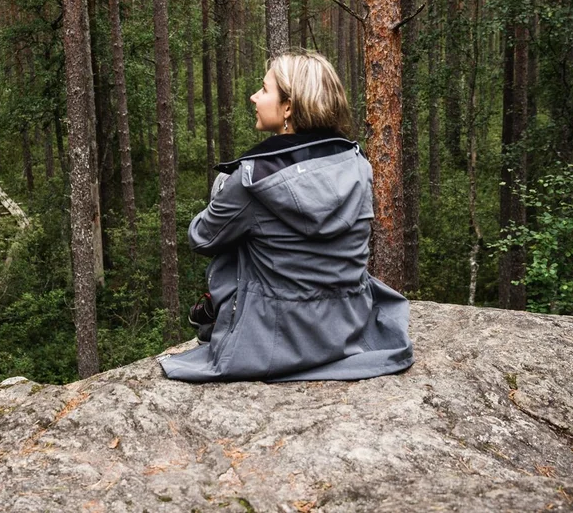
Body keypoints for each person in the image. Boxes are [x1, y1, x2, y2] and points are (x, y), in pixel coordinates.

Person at [160, 50, 414, 382]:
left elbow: (202, 238)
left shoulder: (250, 180)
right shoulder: (356, 163)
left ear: (289, 107)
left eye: (264, 90)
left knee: (236, 240)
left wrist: (222, 189)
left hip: (276, 339)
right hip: (347, 325)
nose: (254, 96)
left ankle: (212, 311)